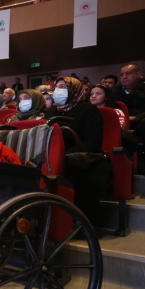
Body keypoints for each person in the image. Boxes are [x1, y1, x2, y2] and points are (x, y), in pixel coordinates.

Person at [45, 76, 110, 215]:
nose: (58, 90)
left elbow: (92, 142)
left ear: (74, 90)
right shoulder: (51, 112)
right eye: (56, 87)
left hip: (76, 157)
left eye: (63, 87)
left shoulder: (88, 110)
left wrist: (62, 154)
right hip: (50, 155)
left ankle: (77, 218)